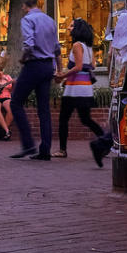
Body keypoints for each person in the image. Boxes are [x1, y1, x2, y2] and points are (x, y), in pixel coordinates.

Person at [9, 0, 60, 160]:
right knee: (43, 109)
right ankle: (45, 149)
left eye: (22, 6)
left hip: (34, 65)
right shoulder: (50, 20)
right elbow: (57, 48)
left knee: (16, 102)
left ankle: (28, 144)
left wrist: (23, 59)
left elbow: (29, 44)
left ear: (24, 5)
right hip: (48, 66)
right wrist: (59, 70)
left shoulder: (27, 20)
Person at [52, 18, 104, 158]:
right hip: (86, 87)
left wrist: (62, 75)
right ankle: (105, 140)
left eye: (71, 26)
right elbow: (92, 66)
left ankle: (62, 150)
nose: (69, 28)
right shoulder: (88, 46)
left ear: (77, 29)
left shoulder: (76, 45)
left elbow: (78, 66)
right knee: (86, 119)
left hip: (74, 88)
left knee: (64, 118)